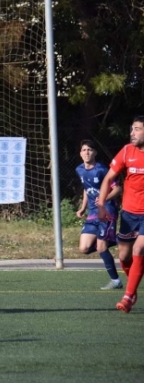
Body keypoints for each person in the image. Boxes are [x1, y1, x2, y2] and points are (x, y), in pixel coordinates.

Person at [98, 115, 144, 313]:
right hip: (129, 214)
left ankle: (127, 297)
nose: (132, 133)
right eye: (132, 128)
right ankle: (132, 289)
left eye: (137, 129)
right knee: (124, 257)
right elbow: (109, 178)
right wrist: (101, 204)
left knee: (139, 250)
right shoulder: (126, 151)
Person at [75, 140, 123, 290]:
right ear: (80, 153)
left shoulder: (102, 169)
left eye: (90, 150)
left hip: (107, 211)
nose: (87, 152)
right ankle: (121, 240)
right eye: (84, 150)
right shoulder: (79, 169)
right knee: (84, 248)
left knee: (101, 247)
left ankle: (116, 281)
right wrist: (83, 208)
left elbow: (118, 189)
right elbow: (86, 188)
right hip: (92, 214)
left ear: (95, 152)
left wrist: (104, 198)